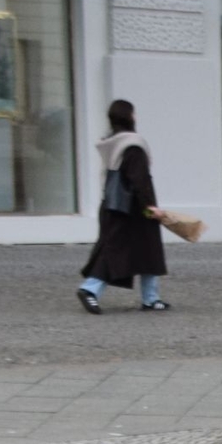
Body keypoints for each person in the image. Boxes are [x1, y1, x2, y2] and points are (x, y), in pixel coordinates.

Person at [78, 99, 168, 313]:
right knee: (128, 250)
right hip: (133, 209)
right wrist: (150, 206)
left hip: (112, 204)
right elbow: (139, 179)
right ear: (129, 116)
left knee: (127, 249)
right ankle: (90, 289)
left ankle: (151, 297)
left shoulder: (111, 142)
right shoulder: (133, 145)